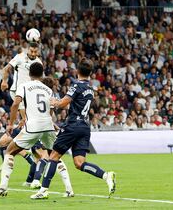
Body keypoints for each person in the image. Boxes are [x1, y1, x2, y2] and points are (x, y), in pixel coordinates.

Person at [31, 59, 116, 199]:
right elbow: (79, 105)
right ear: (90, 73)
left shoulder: (76, 85)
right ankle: (106, 176)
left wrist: (55, 102)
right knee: (79, 163)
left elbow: (63, 103)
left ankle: (43, 190)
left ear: (78, 71)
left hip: (73, 126)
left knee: (53, 156)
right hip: (84, 127)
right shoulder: (90, 89)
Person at [0, 62, 73, 197]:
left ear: (29, 73)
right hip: (47, 126)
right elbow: (51, 112)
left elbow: (16, 103)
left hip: (33, 126)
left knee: (9, 151)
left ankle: (3, 188)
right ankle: (69, 189)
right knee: (55, 156)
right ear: (42, 73)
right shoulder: (48, 90)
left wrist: (10, 123)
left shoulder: (24, 86)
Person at [0, 42, 42, 183]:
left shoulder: (38, 63)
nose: (33, 54)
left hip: (29, 107)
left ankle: (36, 178)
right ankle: (32, 173)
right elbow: (6, 68)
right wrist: (4, 81)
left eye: (35, 52)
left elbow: (40, 81)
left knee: (39, 153)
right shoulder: (20, 57)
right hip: (22, 102)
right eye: (31, 51)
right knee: (3, 143)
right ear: (28, 49)